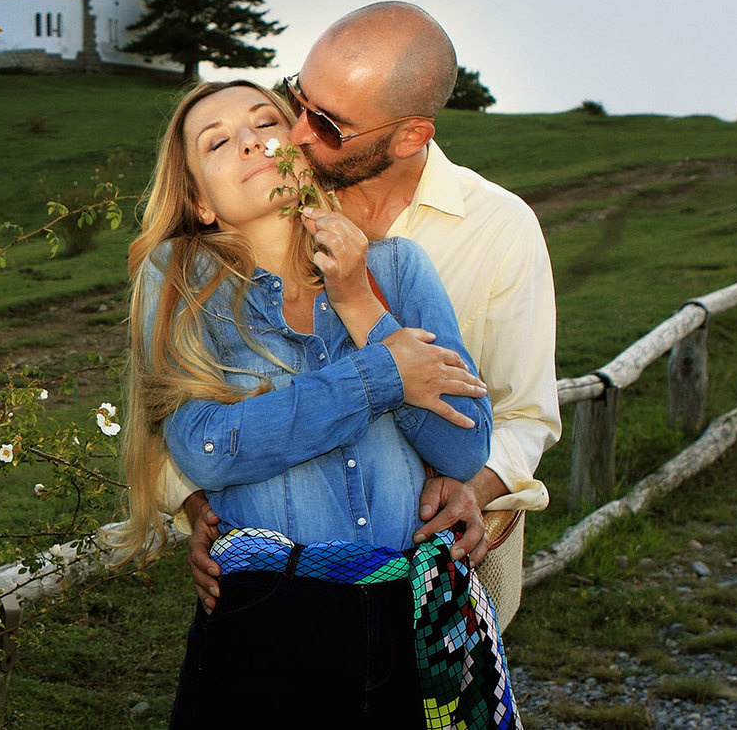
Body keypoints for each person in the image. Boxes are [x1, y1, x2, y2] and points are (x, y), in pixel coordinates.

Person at [106, 80, 515, 726]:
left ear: (299, 148)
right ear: (199, 201)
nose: (247, 141)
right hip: (265, 618)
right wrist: (382, 373)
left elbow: (464, 446)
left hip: (410, 613)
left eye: (263, 120)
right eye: (217, 142)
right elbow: (204, 446)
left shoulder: (401, 269)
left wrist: (358, 301)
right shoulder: (180, 278)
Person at [170, 2, 563, 630]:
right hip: (282, 580)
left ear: (409, 135)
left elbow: (526, 411)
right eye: (297, 99)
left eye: (326, 124)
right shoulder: (278, 200)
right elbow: (185, 404)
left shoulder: (498, 227)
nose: (297, 133)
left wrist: (477, 489)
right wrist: (201, 509)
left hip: (456, 539)